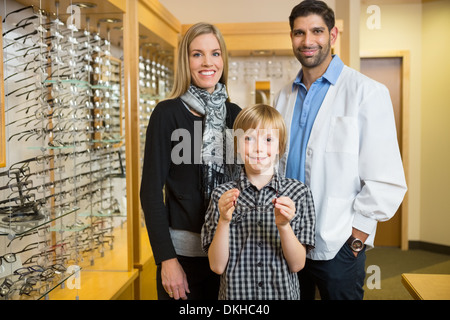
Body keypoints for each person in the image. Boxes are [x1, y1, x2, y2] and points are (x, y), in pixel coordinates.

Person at [274, 0, 407, 300]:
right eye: (299, 33)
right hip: (288, 240)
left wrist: (356, 241)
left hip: (338, 245)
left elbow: (385, 178)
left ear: (333, 36)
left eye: (317, 31)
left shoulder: (366, 92)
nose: (307, 41)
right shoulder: (282, 96)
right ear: (292, 37)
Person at [140, 22, 241, 300]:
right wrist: (166, 260)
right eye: (197, 54)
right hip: (183, 258)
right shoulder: (167, 113)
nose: (207, 62)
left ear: (223, 60)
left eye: (215, 53)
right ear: (186, 60)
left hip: (231, 256)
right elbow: (150, 193)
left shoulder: (236, 115)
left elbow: (246, 182)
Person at [201, 104, 315, 300]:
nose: (258, 147)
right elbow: (217, 266)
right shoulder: (222, 195)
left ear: (280, 147)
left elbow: (297, 265)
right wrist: (224, 221)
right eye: (248, 138)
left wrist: (284, 226)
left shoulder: (299, 193)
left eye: (268, 139)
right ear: (237, 145)